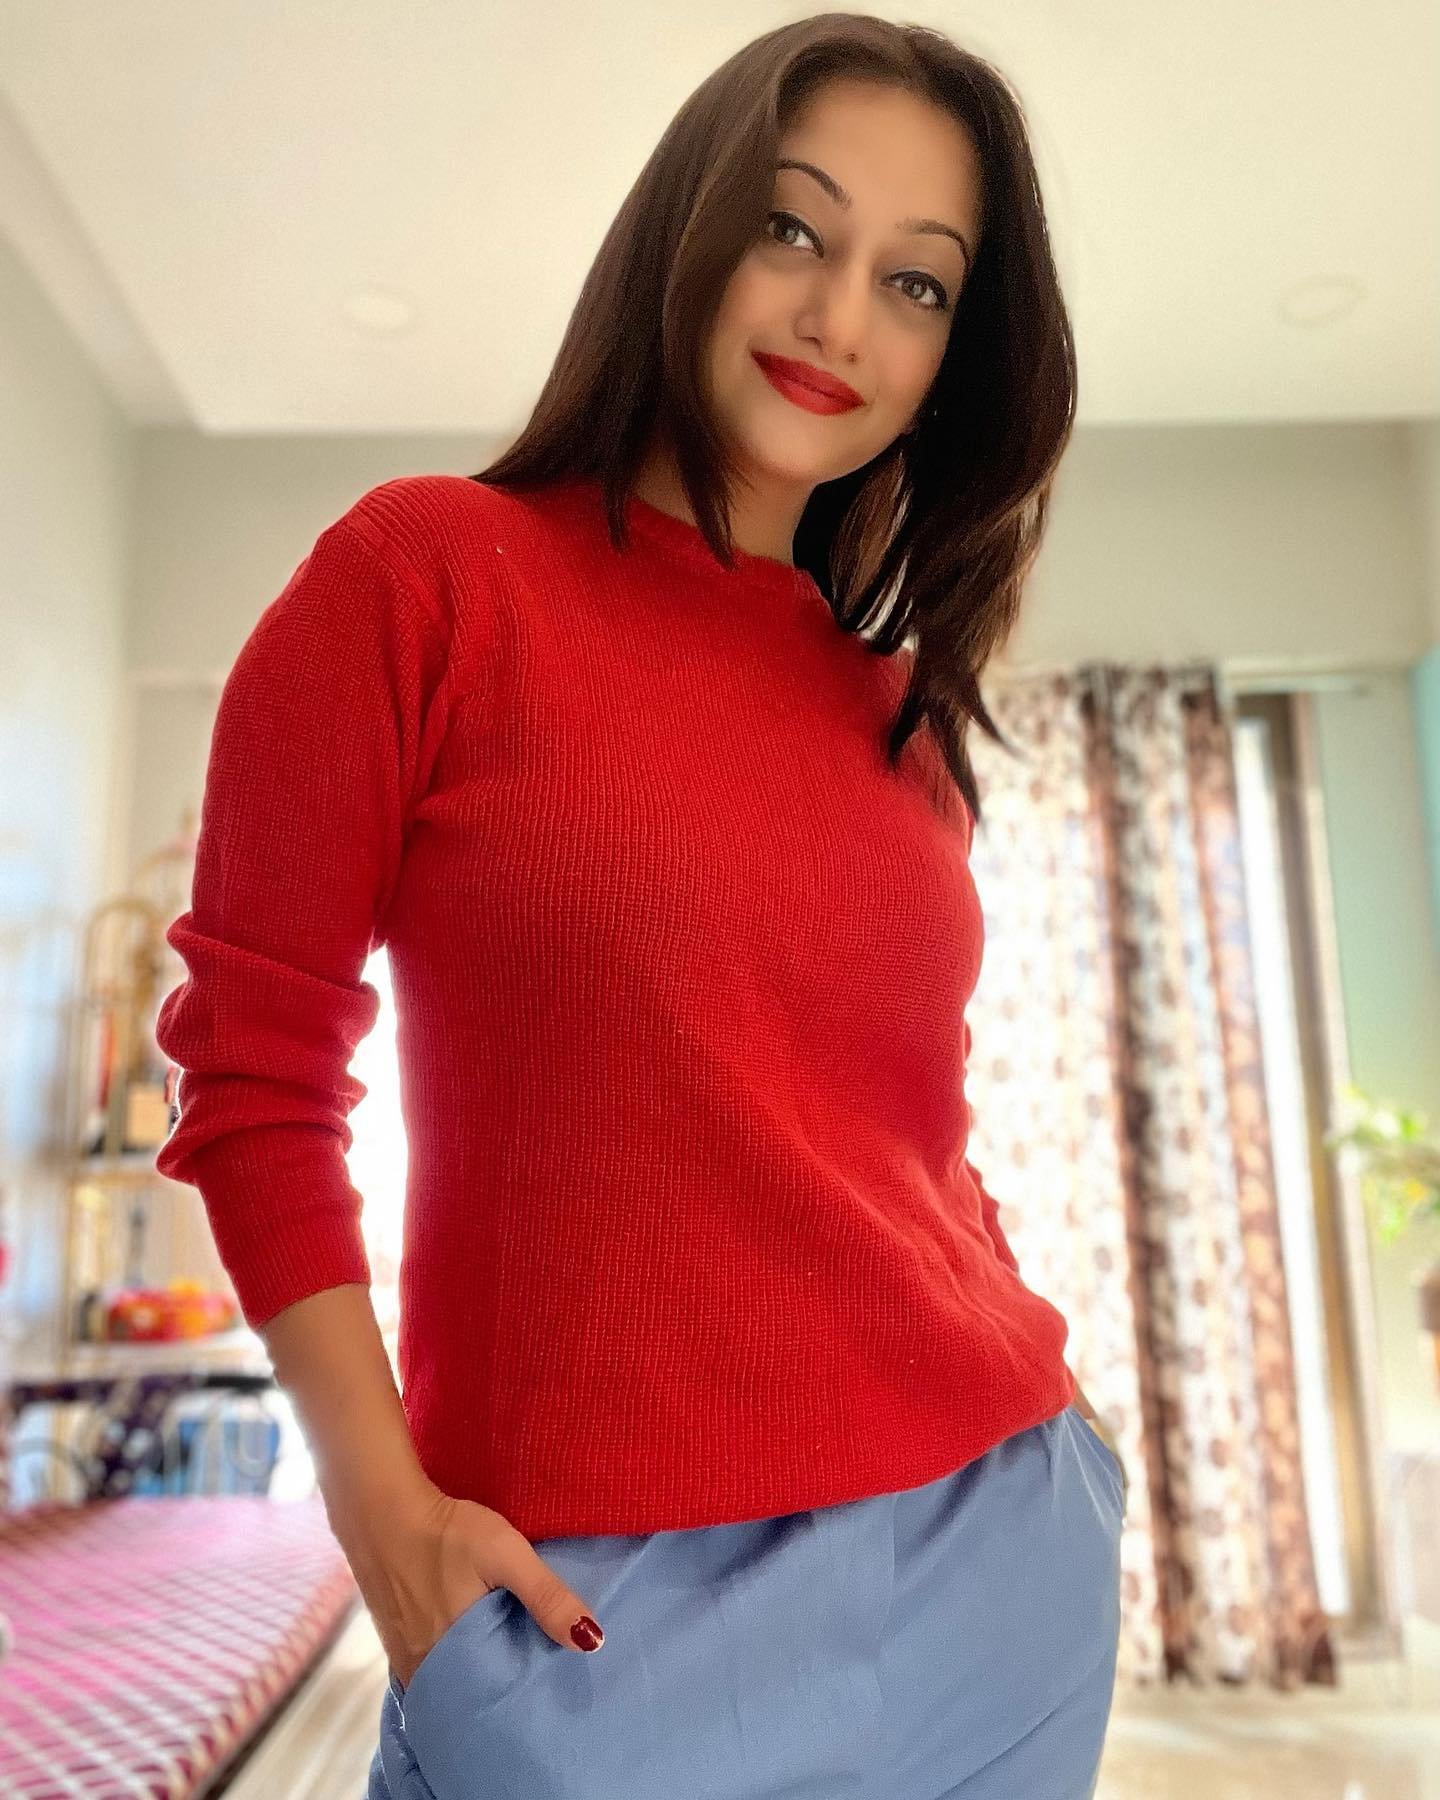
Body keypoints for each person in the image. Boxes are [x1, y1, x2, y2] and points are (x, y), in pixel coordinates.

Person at [153, 13, 1128, 1798]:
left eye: (917, 283)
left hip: (998, 1552)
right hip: (597, 1629)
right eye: (793, 226)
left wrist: (1056, 1410)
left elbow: (900, 1129)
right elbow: (253, 1082)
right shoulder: (424, 578)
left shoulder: (893, 712)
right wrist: (384, 1524)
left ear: (953, 356)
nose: (840, 316)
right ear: (689, 222)